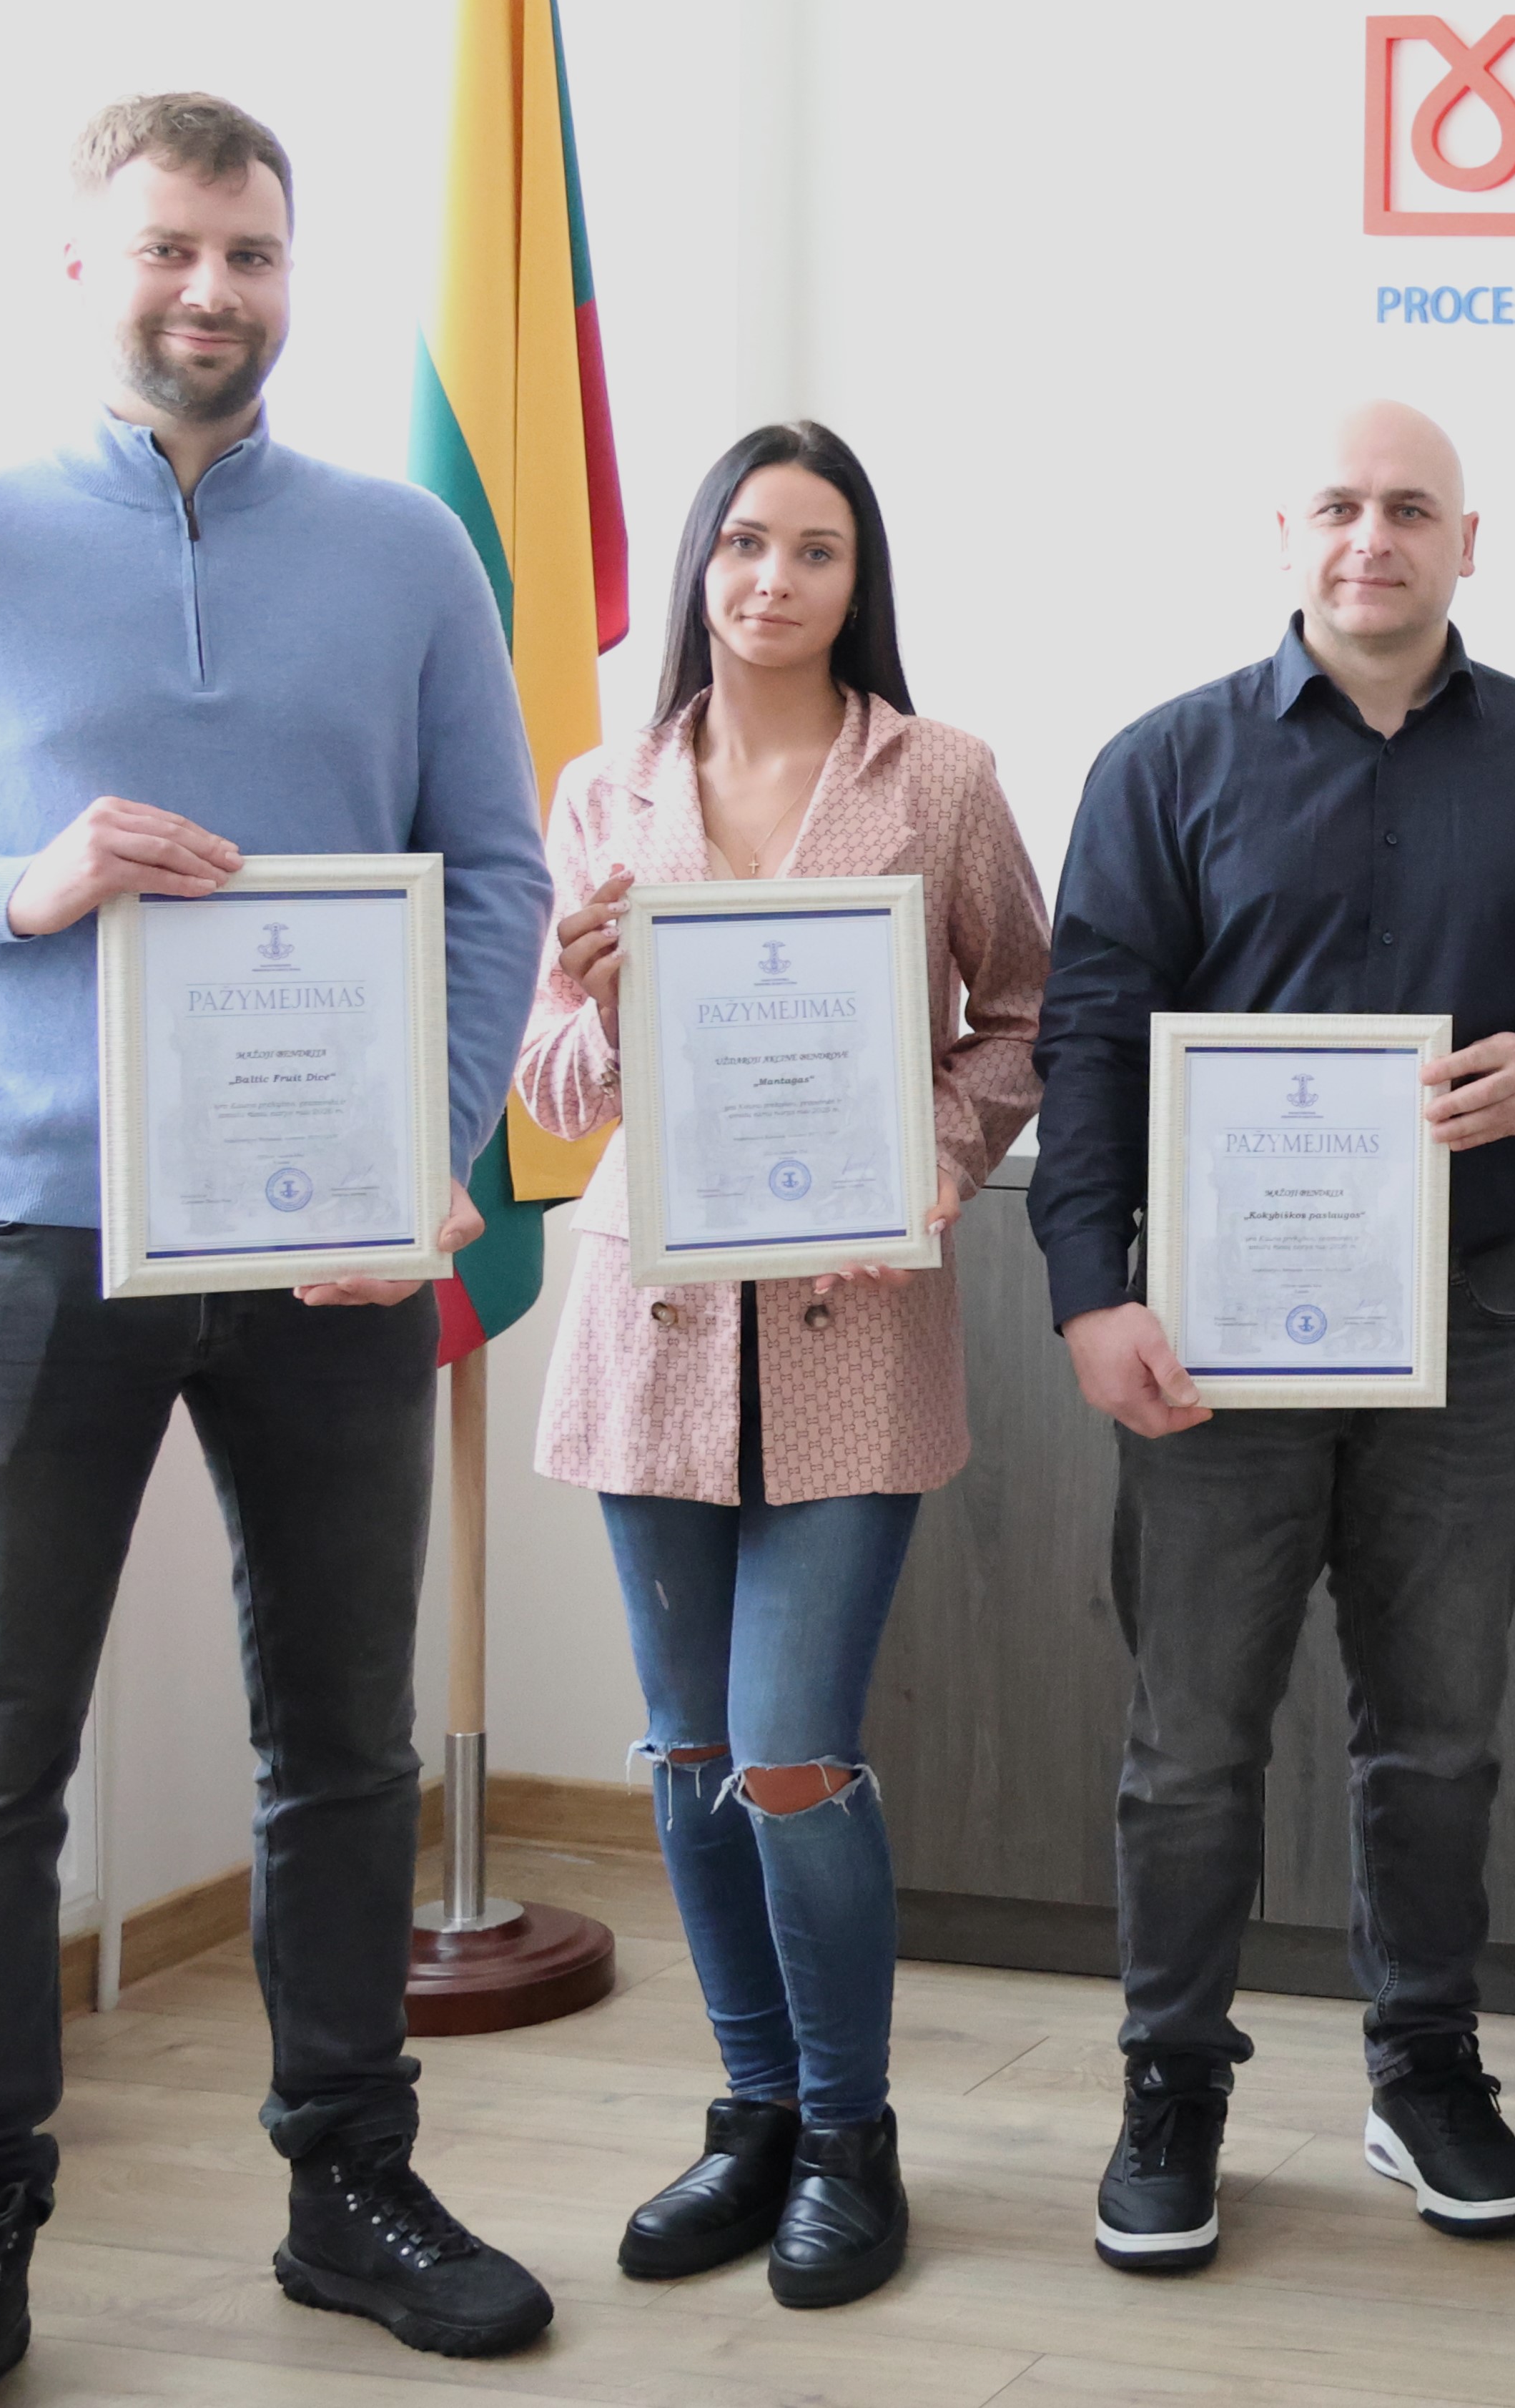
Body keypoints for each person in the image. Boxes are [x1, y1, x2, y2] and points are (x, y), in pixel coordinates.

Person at [0, 95, 558, 2402]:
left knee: (339, 1740)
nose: (213, 291)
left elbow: (496, 874)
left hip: (333, 1249)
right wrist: (15, 886)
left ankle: (352, 2182)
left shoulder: (407, 553)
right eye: (170, 247)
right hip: (27, 1236)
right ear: (85, 267)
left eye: (250, 251)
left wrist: (437, 1141)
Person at [1031, 401, 1515, 2276]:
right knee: (1189, 1742)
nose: (1371, 537)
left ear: (1468, 542)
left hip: (1462, 1319)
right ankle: (1173, 2085)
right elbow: (1088, 1039)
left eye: (1410, 508)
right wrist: (1088, 1286)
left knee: (1440, 1731)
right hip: (1214, 1337)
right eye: (1338, 504)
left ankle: (1424, 2067)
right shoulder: (1164, 764)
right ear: (1286, 533)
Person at [513, 422, 1047, 2309]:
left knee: (792, 1755)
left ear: (857, 579)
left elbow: (1028, 1015)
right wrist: (589, 1001)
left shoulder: (942, 776)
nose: (772, 579)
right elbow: (556, 1094)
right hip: (651, 1325)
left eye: (815, 549)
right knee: (684, 1756)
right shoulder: (606, 789)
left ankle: (848, 2131)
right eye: (744, 542)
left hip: (852, 1321)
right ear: (700, 564)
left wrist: (937, 1153)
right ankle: (748, 2113)